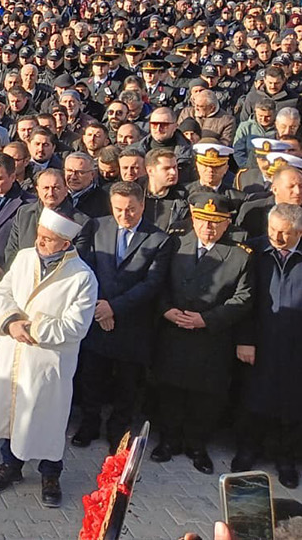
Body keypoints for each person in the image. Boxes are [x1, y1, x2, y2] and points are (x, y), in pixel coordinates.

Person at [0, 208, 98, 509]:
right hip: (15, 349)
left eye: (48, 240)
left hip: (48, 361)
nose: (40, 244)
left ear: (66, 244)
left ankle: (50, 475)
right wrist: (9, 321)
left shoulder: (82, 277)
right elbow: (2, 293)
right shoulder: (24, 258)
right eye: (40, 237)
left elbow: (76, 326)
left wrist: (31, 327)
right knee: (13, 411)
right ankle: (11, 465)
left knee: (47, 419)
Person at [150, 192, 251, 475]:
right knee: (170, 389)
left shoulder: (239, 256)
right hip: (174, 331)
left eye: (216, 222)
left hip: (210, 337)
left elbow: (243, 297)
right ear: (193, 219)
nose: (208, 228)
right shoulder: (176, 244)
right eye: (202, 220)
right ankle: (168, 440)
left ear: (227, 223)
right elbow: (158, 282)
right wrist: (165, 310)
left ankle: (196, 445)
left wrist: (206, 320)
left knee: (205, 396)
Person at [73, 180, 174, 449]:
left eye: (130, 209)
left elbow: (152, 284)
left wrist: (114, 308)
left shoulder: (159, 240)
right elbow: (85, 268)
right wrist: (100, 305)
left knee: (128, 384)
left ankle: (118, 430)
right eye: (118, 209)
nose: (124, 215)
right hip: (97, 317)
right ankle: (89, 424)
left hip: (132, 324)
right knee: (91, 377)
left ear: (142, 205)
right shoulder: (97, 226)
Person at [235, 203, 302, 489]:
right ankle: (248, 450)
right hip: (259, 340)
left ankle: (285, 458)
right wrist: (245, 339)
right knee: (254, 398)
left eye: (285, 233)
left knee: (292, 405)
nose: (276, 237)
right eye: (272, 229)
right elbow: (244, 299)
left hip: (296, 344)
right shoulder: (254, 251)